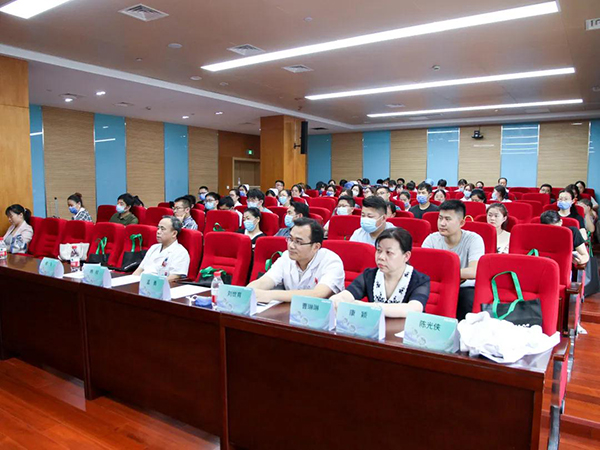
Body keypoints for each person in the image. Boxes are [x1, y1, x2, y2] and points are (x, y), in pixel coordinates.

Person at [330, 228, 429, 318]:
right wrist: (337, 299)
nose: (381, 257)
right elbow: (347, 295)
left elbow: (414, 309)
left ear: (406, 256)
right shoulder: (369, 275)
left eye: (388, 252)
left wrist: (368, 306)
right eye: (379, 250)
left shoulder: (420, 280)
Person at [247, 218, 345, 301]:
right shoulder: (286, 257)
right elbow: (266, 280)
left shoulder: (331, 261)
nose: (291, 246)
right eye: (290, 239)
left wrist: (268, 295)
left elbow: (318, 293)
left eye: (298, 242)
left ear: (316, 247)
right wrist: (248, 291)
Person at [422, 200, 485, 320]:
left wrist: (444, 275)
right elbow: (424, 272)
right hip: (437, 287)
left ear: (461, 222)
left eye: (447, 219)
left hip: (464, 287)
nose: (442, 223)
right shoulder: (431, 240)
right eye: (440, 218)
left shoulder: (473, 239)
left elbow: (474, 271)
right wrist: (457, 275)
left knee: (469, 299)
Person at [133, 216, 190, 282]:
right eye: (158, 228)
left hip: (158, 285)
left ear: (174, 233)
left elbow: (174, 277)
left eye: (162, 229)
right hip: (141, 282)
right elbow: (139, 269)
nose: (158, 232)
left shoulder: (181, 252)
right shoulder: (153, 247)